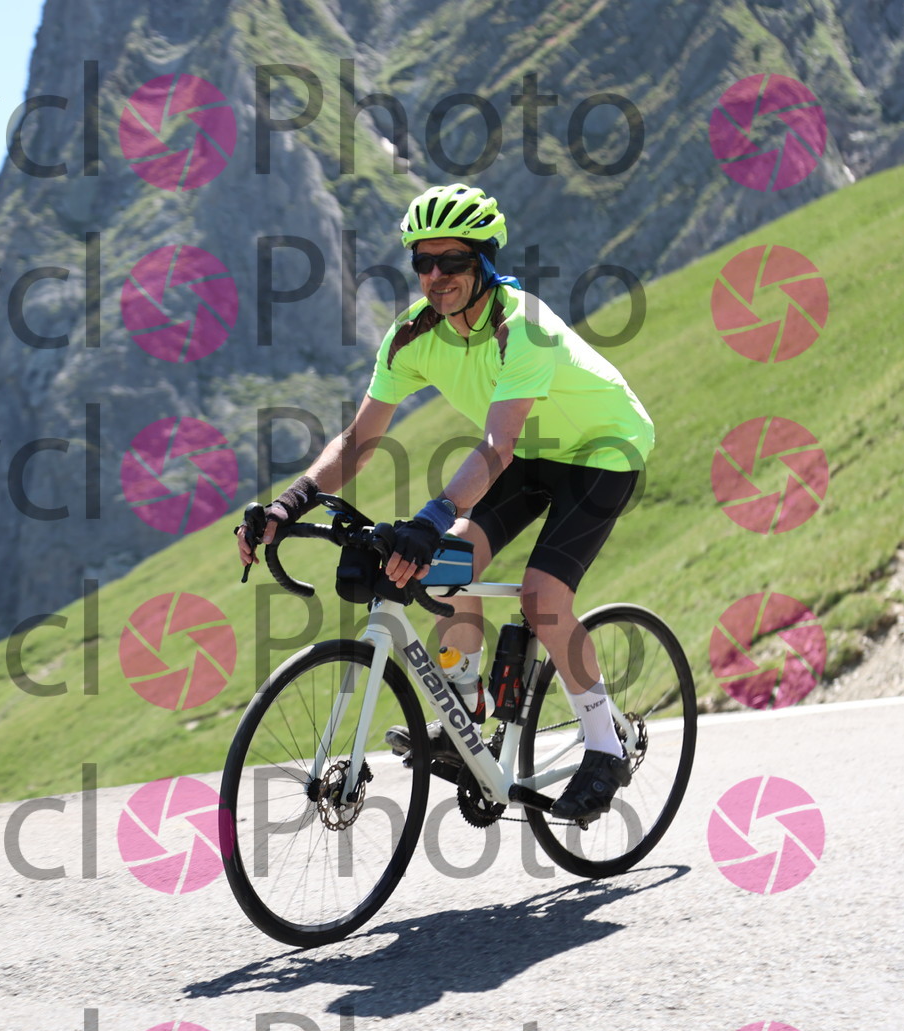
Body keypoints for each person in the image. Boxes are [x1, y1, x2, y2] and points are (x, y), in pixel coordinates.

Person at [234, 183, 655, 821]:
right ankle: (466, 708)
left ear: (483, 262)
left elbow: (497, 444)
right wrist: (289, 504)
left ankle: (605, 745)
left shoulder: (524, 328)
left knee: (541, 596)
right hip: (532, 450)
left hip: (603, 449)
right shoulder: (412, 336)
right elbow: (358, 441)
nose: (436, 276)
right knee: (445, 565)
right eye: (423, 262)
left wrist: (433, 517)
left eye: (452, 261)